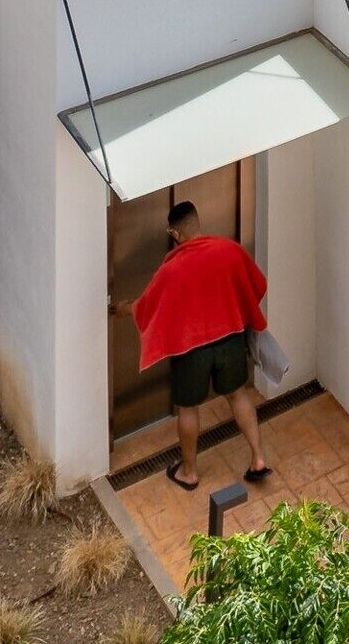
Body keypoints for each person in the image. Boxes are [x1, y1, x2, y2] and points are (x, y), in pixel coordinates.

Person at [133, 201, 274, 490]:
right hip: (231, 340)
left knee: (188, 408)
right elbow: (257, 284)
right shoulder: (229, 249)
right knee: (238, 395)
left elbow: (146, 308)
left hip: (191, 352)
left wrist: (122, 309)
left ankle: (189, 472)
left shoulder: (171, 270)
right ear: (198, 222)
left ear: (175, 234)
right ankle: (258, 459)